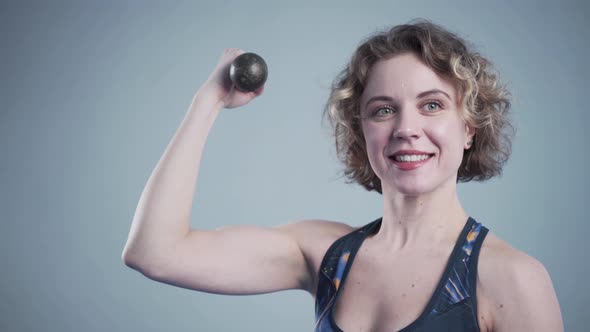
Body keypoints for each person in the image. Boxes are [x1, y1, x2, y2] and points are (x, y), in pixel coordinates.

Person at [122, 20, 563, 331]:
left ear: (468, 128)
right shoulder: (326, 256)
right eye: (383, 110)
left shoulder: (511, 278)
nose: (407, 128)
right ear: (362, 132)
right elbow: (155, 252)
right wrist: (208, 102)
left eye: (432, 105)